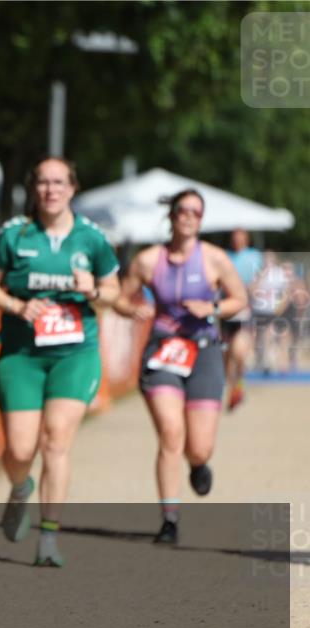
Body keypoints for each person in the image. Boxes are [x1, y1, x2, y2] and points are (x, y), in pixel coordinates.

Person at [0, 157, 120, 567]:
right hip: (21, 355)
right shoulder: (13, 235)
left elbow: (115, 293)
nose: (50, 190)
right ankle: (21, 488)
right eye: (42, 183)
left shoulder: (92, 239)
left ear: (73, 188)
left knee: (56, 440)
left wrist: (93, 290)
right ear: (33, 189)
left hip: (75, 355)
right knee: (20, 450)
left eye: (59, 182)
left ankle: (50, 539)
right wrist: (17, 305)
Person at [114, 189, 247, 545]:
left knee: (199, 447)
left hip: (203, 350)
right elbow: (120, 299)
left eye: (196, 212)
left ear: (201, 220)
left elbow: (240, 299)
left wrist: (213, 309)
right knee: (171, 433)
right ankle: (169, 520)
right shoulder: (147, 260)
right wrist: (133, 309)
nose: (188, 217)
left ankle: (198, 463)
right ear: (171, 216)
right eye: (182, 211)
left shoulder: (215, 259)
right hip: (163, 352)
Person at [221, 228, 262, 410]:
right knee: (226, 354)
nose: (237, 240)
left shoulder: (254, 256)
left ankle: (238, 384)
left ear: (246, 239)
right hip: (226, 311)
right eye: (235, 237)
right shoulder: (224, 256)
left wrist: (247, 290)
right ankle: (232, 388)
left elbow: (258, 280)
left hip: (244, 311)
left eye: (241, 237)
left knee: (239, 352)